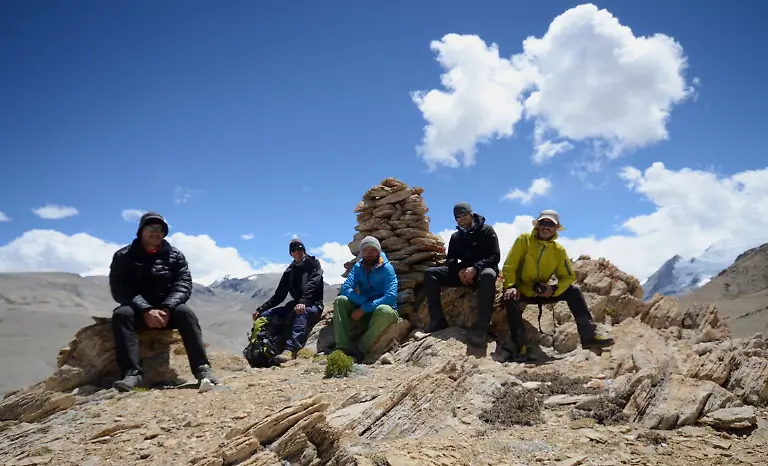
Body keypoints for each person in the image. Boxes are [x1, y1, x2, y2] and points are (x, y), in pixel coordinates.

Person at [109, 212, 218, 391]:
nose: (156, 233)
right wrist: (146, 310)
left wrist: (168, 307)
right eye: (151, 228)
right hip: (138, 310)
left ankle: (202, 370)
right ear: (141, 231)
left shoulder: (175, 255)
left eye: (160, 229)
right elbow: (120, 290)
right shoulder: (123, 256)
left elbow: (183, 284)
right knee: (121, 315)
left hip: (168, 309)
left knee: (186, 314)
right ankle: (132, 375)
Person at [501, 209, 615, 360]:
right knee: (510, 298)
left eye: (550, 224)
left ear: (556, 228)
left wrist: (553, 289)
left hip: (543, 292)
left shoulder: (558, 251)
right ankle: (519, 345)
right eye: (543, 223)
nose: (546, 227)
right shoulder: (524, 240)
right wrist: (511, 286)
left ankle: (588, 337)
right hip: (521, 289)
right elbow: (510, 265)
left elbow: (568, 277)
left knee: (573, 291)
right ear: (537, 225)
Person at [422, 202, 501, 347]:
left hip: (482, 272)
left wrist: (475, 268)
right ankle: (438, 321)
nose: (462, 218)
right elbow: (450, 259)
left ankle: (482, 328)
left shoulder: (487, 230)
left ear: (471, 214)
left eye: (464, 214)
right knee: (430, 273)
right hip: (463, 274)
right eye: (458, 216)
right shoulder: (456, 237)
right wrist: (459, 270)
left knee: (489, 275)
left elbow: (495, 256)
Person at [251, 239, 324, 363]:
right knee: (265, 316)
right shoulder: (289, 272)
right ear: (291, 253)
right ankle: (257, 349)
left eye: (300, 249)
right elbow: (279, 295)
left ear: (304, 251)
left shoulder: (313, 264)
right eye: (295, 250)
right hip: (296, 304)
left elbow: (313, 283)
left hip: (313, 305)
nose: (298, 252)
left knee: (301, 312)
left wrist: (303, 301)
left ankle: (291, 350)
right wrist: (261, 309)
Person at [332, 236, 399, 362]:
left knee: (384, 310)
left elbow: (390, 297)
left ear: (378, 251)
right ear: (361, 252)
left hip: (383, 313)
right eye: (366, 250)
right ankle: (342, 348)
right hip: (365, 309)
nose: (369, 253)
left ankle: (360, 349)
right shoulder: (358, 267)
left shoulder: (387, 268)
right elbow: (346, 288)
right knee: (340, 300)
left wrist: (364, 308)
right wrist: (362, 301)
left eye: (372, 249)